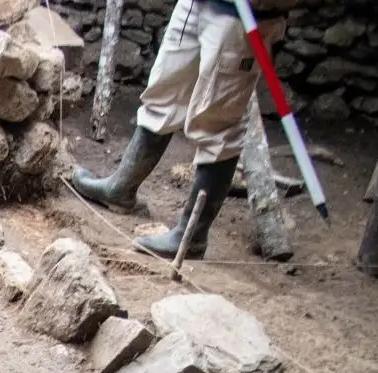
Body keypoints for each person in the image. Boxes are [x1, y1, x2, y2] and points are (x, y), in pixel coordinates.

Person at [72, 0, 264, 260]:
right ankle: (121, 188)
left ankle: (192, 237)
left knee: (218, 123)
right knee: (163, 94)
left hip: (239, 15)